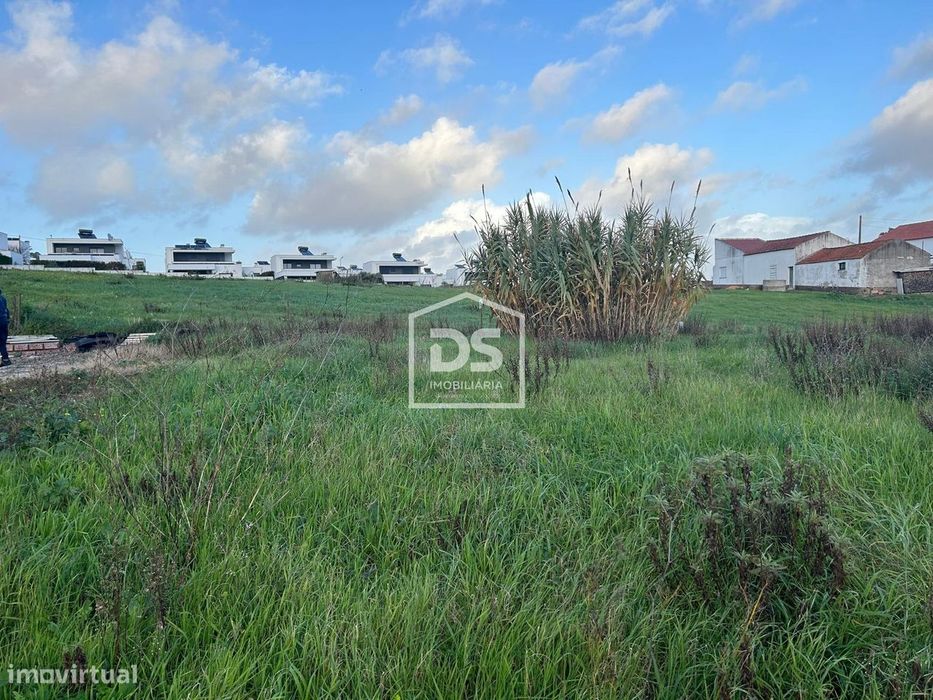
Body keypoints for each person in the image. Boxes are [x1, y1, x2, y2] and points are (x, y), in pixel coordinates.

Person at [0, 287, 10, 367]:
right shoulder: (3, 298)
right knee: (2, 341)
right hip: (4, 322)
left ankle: (6, 360)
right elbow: (7, 310)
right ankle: (6, 359)